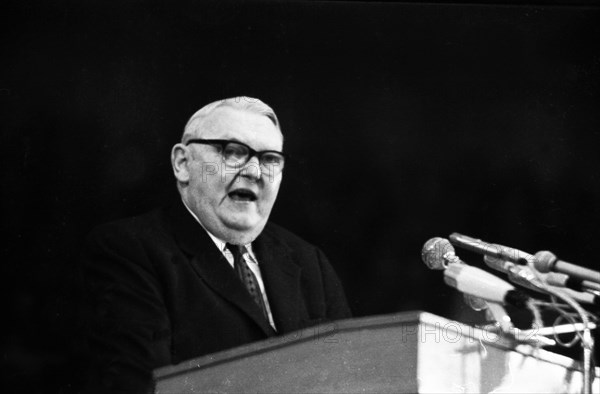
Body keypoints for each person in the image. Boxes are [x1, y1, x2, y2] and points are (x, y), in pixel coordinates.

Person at [82, 97, 351, 392]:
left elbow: (354, 380)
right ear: (183, 164)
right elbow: (142, 386)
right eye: (233, 152)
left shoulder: (310, 262)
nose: (254, 172)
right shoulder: (130, 250)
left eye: (270, 159)